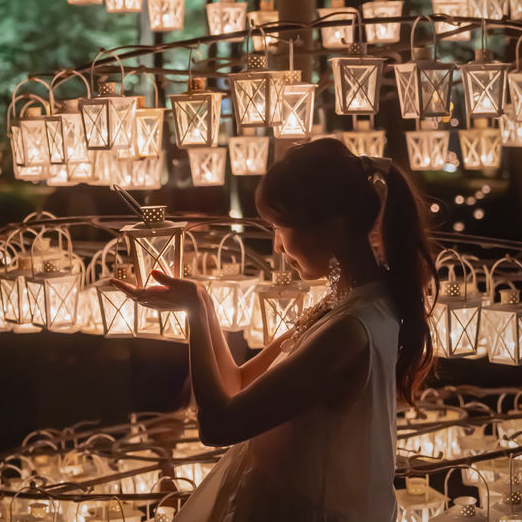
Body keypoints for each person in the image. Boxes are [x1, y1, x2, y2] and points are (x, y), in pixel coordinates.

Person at [115, 137, 437, 522]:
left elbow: (219, 425)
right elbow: (237, 384)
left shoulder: (350, 329)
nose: (278, 246)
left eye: (280, 226)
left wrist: (197, 315)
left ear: (330, 225)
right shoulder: (345, 305)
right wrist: (201, 302)